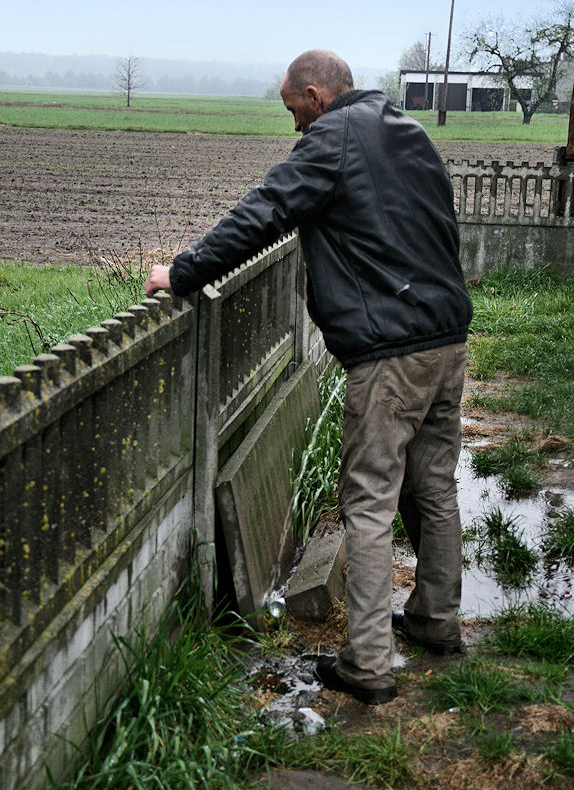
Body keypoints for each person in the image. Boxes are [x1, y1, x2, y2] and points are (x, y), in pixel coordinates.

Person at [145, 49, 473, 705]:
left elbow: (264, 209)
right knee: (433, 485)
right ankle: (436, 620)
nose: (291, 119)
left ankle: (369, 665)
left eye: (292, 106)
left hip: (392, 352)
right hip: (446, 338)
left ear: (317, 94)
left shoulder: (333, 140)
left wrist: (181, 273)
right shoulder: (407, 132)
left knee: (370, 500)